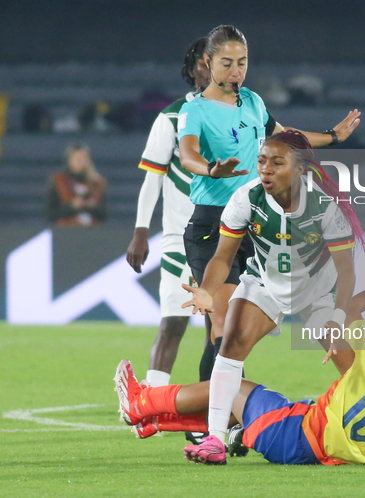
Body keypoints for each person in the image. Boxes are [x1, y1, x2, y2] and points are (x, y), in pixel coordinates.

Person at [177, 25, 361, 368]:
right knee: (223, 328)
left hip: (256, 223)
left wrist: (332, 136)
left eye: (243, 63)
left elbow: (286, 137)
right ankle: (214, 419)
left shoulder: (252, 102)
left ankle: (212, 415)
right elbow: (187, 155)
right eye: (227, 63)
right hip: (213, 225)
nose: (236, 72)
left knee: (237, 333)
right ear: (208, 61)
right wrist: (211, 170)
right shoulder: (194, 111)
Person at [178, 130, 365, 465]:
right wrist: (207, 289)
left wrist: (338, 318)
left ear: (300, 170)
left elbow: (347, 271)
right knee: (230, 346)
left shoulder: (325, 206)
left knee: (354, 369)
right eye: (262, 160)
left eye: (277, 163)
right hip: (265, 283)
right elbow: (222, 257)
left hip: (318, 292)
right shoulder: (246, 198)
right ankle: (214, 440)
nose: (265, 169)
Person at [114, 277, 365, 466]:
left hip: (293, 436)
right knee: (244, 406)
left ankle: (140, 404)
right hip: (322, 449)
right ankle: (155, 422)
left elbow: (350, 307)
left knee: (231, 386)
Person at [126, 38, 215, 446]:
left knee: (222, 330)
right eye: (205, 62)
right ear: (194, 67)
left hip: (228, 238)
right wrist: (141, 230)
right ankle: (146, 403)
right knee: (174, 324)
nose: (211, 68)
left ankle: (209, 420)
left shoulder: (237, 112)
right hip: (182, 239)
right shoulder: (172, 118)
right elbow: (153, 176)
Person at [46, 142, 107, 226]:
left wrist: (92, 206)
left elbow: (105, 214)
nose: (80, 161)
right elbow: (49, 214)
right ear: (69, 160)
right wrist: (71, 207)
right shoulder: (58, 181)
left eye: (83, 158)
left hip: (92, 230)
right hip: (66, 230)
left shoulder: (97, 182)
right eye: (77, 158)